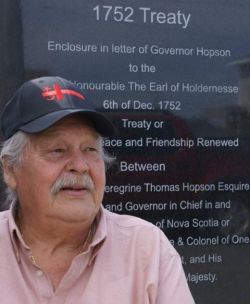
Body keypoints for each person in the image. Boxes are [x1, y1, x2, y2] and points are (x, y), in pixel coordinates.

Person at [0, 76, 195, 303]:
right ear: (11, 170)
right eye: (57, 150)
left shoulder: (146, 249)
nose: (81, 166)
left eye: (90, 149)